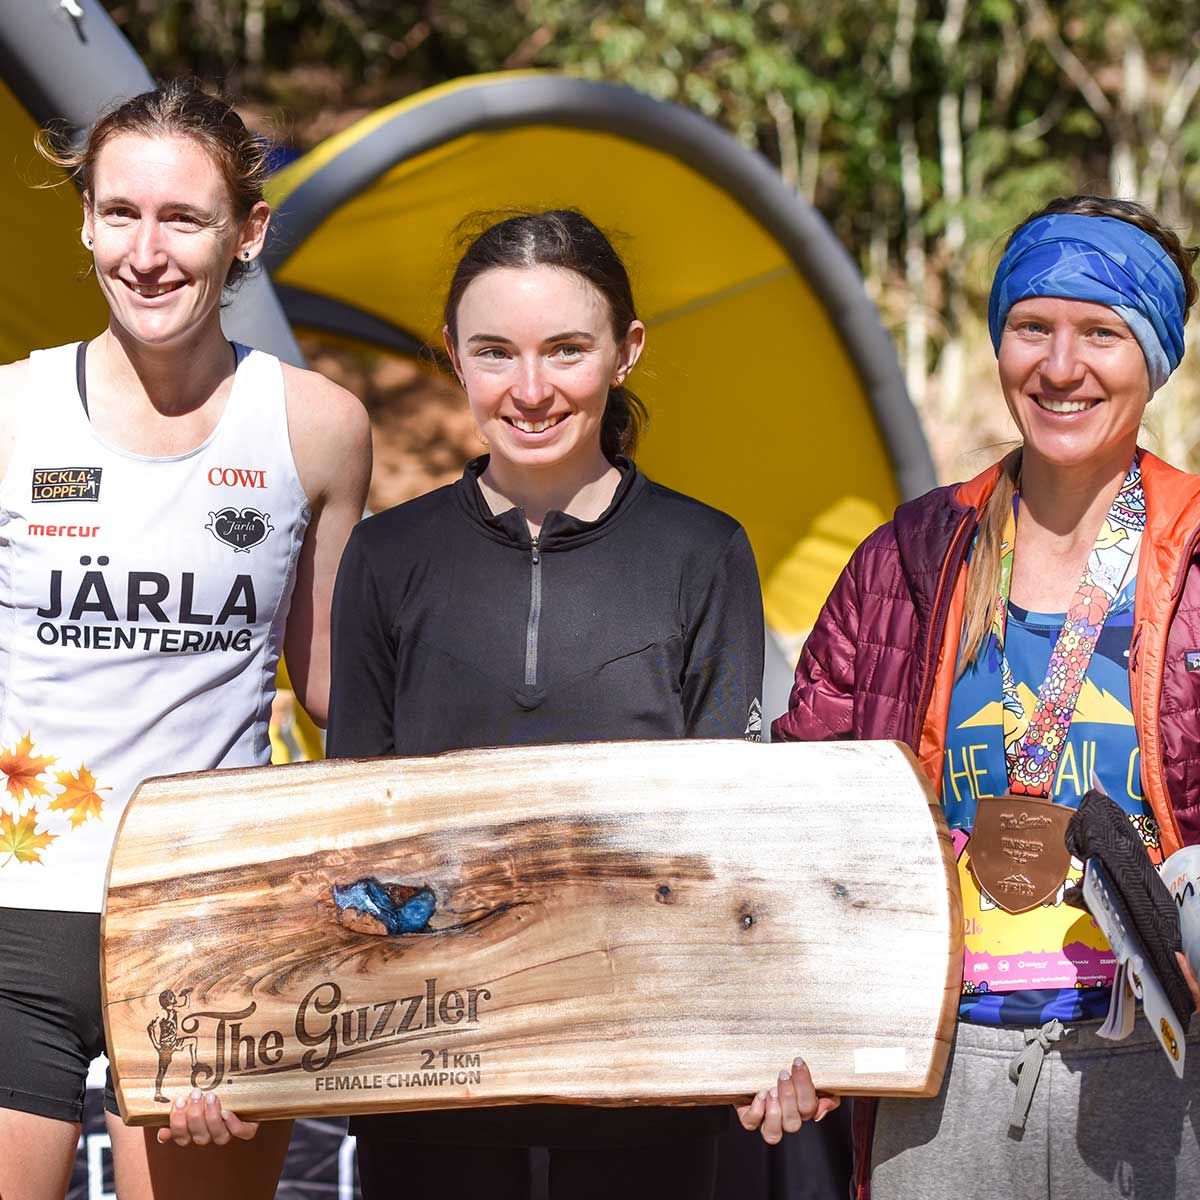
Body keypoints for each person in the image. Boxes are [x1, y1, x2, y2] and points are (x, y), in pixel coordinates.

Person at [743, 195, 1200, 1198]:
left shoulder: (1196, 558)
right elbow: (810, 812)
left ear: (1155, 356)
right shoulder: (908, 556)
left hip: (1159, 1073)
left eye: (1104, 333)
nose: (1062, 366)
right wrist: (799, 1026)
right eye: (1033, 327)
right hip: (938, 1074)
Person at [326, 209, 767, 1200]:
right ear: (452, 357)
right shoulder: (390, 559)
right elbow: (354, 833)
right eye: (495, 353)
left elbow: (732, 831)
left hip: (648, 1074)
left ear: (627, 351)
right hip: (429, 1069)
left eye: (566, 350)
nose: (530, 390)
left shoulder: (705, 554)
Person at [0, 80, 371, 1200]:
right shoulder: (10, 416)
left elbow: (338, 696)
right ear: (85, 222)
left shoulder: (319, 426)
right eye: (120, 213)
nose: (147, 252)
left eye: (183, 219)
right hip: (18, 918)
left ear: (246, 232)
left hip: (214, 923)